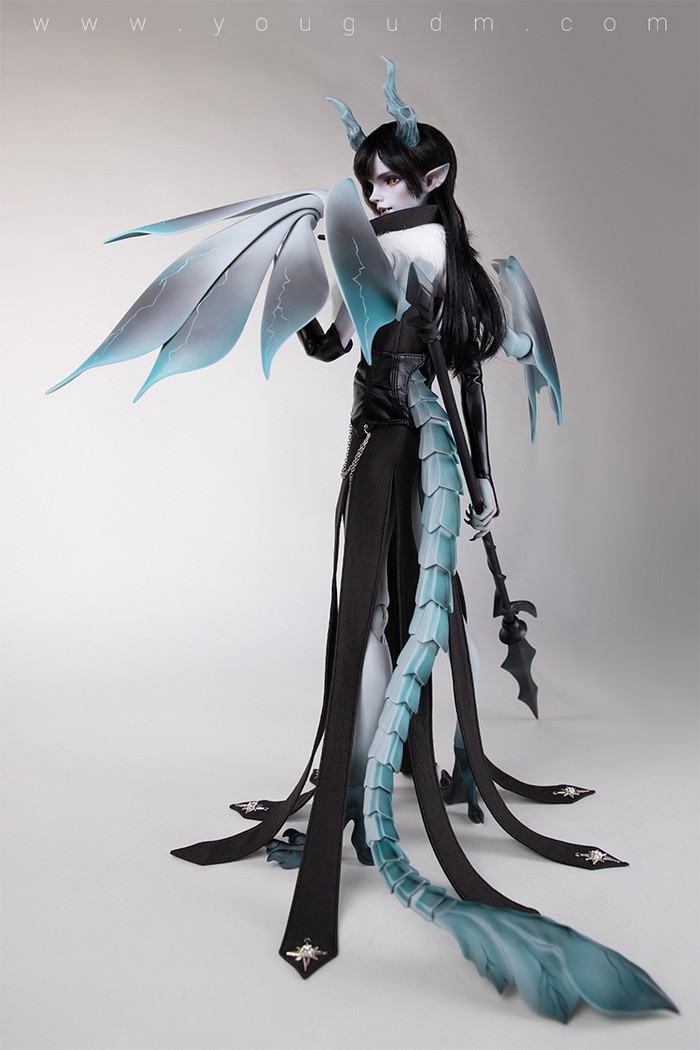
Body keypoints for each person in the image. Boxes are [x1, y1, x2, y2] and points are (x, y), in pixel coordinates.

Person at [47, 57, 675, 1023]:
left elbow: (458, 370)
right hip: (381, 442)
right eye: (368, 179)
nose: (374, 191)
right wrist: (315, 288)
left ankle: (357, 784)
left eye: (387, 179)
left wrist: (478, 471)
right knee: (381, 612)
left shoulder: (422, 244)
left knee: (381, 613)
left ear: (431, 180)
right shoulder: (378, 245)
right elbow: (339, 343)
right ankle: (365, 776)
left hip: (405, 446)